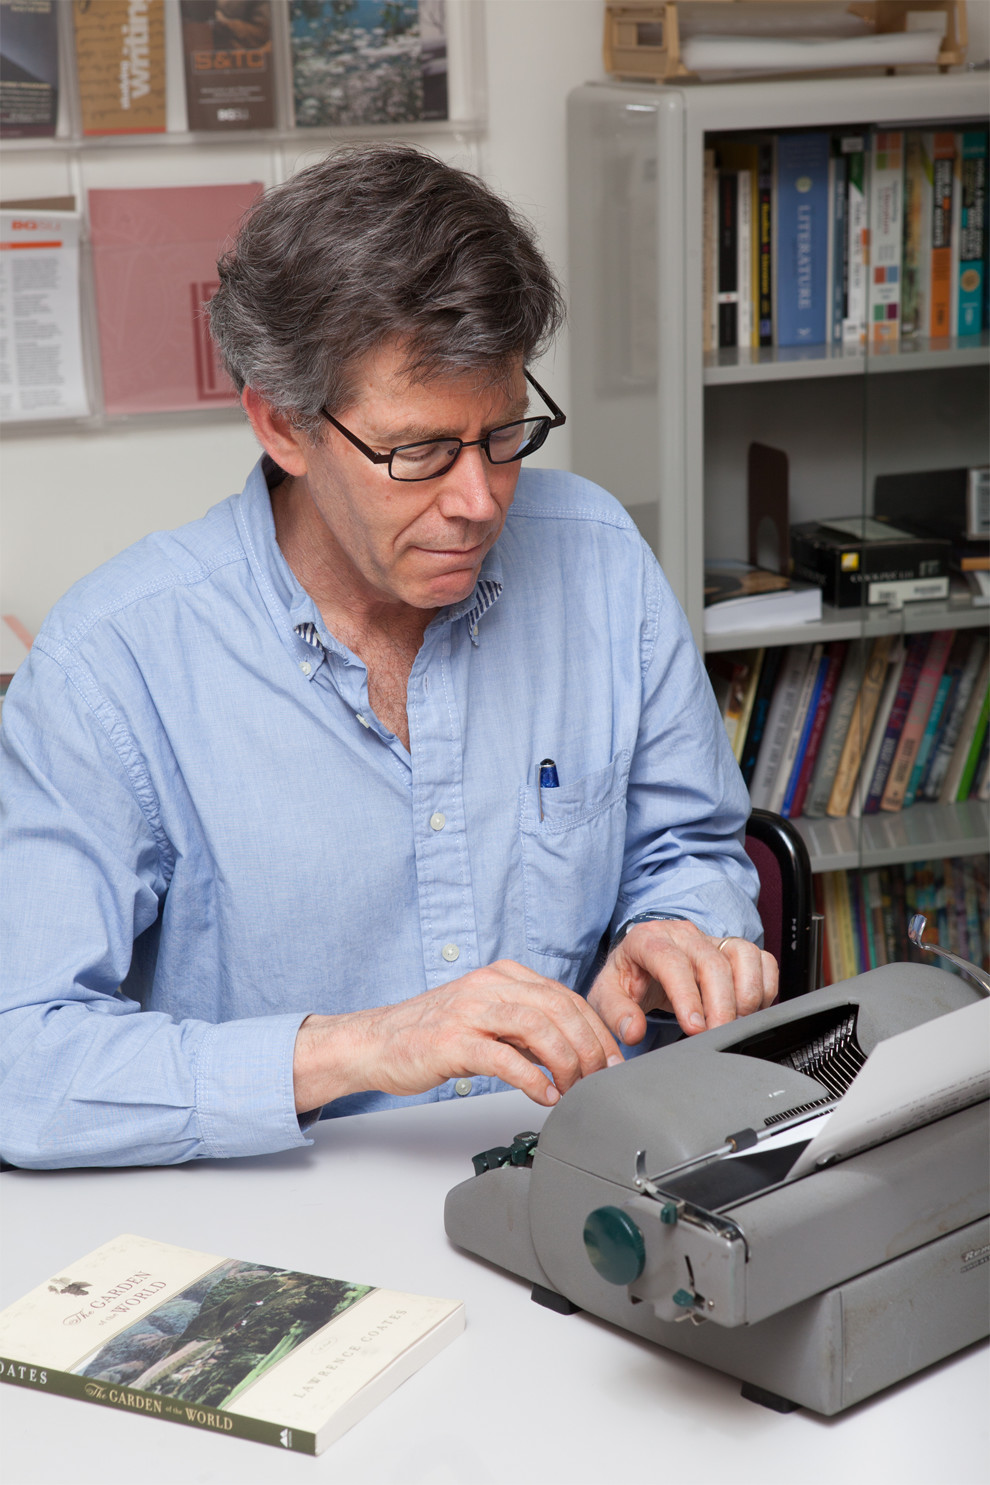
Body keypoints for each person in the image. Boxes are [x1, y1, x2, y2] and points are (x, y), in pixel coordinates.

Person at [0, 146, 775, 1171]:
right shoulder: (117, 663)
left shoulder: (598, 563)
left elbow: (691, 850)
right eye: (418, 454)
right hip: (275, 1236)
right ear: (283, 425)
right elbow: (23, 1066)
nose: (479, 501)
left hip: (567, 1184)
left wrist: (676, 932)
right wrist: (360, 1047)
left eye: (505, 436)